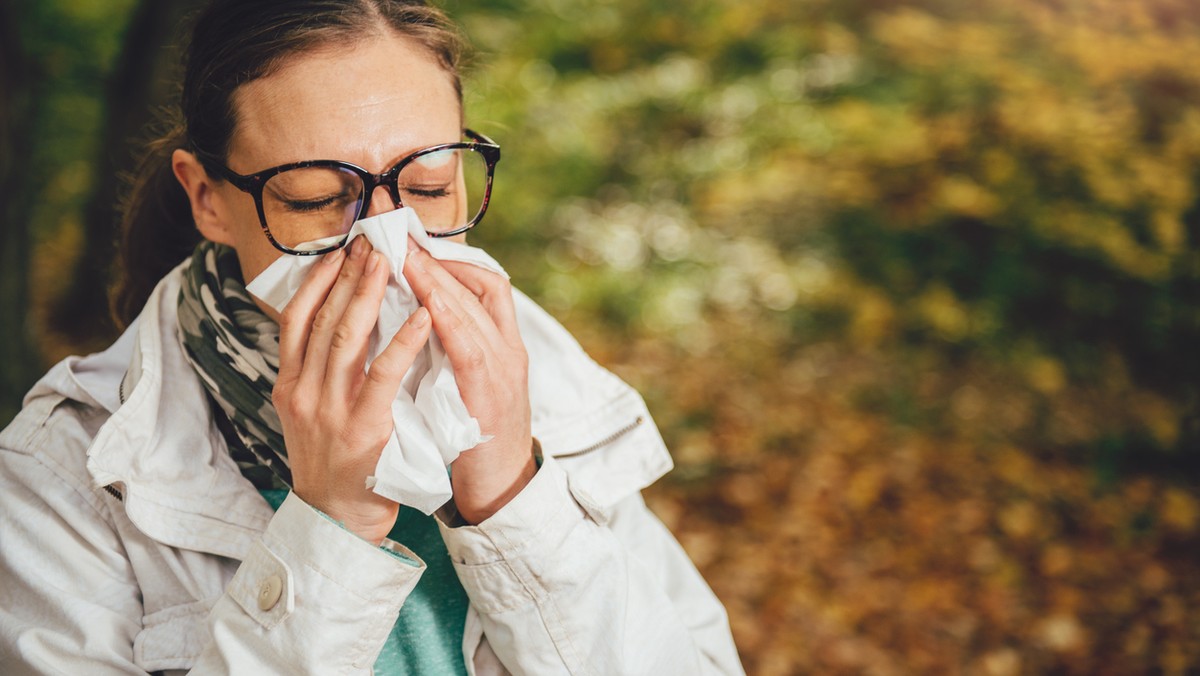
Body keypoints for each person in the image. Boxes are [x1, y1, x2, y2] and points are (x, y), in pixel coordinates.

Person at [0, 1, 743, 673]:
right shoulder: (60, 476)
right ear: (207, 198)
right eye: (317, 198)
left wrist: (513, 498)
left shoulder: (542, 381)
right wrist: (332, 526)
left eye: (427, 187)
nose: (389, 241)